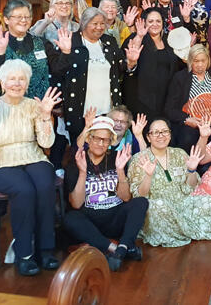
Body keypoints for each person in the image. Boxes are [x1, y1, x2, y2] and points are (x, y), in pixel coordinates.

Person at [0, 61, 62, 276]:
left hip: (32, 155)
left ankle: (46, 249)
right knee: (24, 190)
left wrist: (44, 115)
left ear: (27, 83)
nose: (17, 83)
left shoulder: (33, 105)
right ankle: (24, 254)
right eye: (12, 79)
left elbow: (47, 143)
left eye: (21, 79)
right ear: (3, 82)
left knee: (44, 184)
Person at [63, 116, 148, 271]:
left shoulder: (117, 158)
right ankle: (120, 250)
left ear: (111, 142)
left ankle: (119, 248)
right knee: (70, 218)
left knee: (140, 202)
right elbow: (75, 203)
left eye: (106, 140)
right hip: (90, 223)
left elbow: (126, 198)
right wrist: (83, 172)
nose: (101, 144)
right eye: (97, 139)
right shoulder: (77, 161)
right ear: (88, 138)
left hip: (114, 219)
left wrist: (120, 170)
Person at [128, 119, 211, 247]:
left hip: (181, 204)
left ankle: (177, 229)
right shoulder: (139, 159)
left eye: (164, 132)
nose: (161, 136)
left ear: (170, 134)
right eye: (156, 132)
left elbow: (190, 188)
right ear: (148, 137)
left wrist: (191, 170)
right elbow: (139, 196)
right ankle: (194, 228)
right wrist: (148, 175)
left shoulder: (179, 154)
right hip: (158, 209)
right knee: (160, 205)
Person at [57, 7, 141, 147]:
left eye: (102, 23)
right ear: (84, 23)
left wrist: (131, 63)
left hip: (107, 107)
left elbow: (120, 69)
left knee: (106, 145)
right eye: (94, 23)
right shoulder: (71, 41)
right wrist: (58, 104)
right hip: (80, 108)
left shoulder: (109, 41)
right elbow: (58, 71)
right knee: (81, 146)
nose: (99, 27)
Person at [0, 0, 70, 100]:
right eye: (18, 17)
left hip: (37, 107)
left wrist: (66, 52)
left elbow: (58, 71)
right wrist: (0, 52)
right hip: (6, 109)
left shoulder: (42, 43)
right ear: (6, 19)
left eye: (27, 17)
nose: (24, 20)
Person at [165, 44, 211, 152]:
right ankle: (192, 167)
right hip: (193, 123)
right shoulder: (180, 78)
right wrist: (187, 119)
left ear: (208, 60)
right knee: (187, 138)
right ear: (190, 61)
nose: (200, 65)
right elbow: (169, 109)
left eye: (203, 60)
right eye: (196, 61)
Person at [122, 8, 185, 120]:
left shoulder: (169, 39)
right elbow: (130, 58)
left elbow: (180, 64)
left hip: (167, 97)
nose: (155, 24)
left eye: (158, 21)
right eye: (150, 21)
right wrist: (139, 36)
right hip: (142, 98)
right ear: (144, 23)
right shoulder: (136, 38)